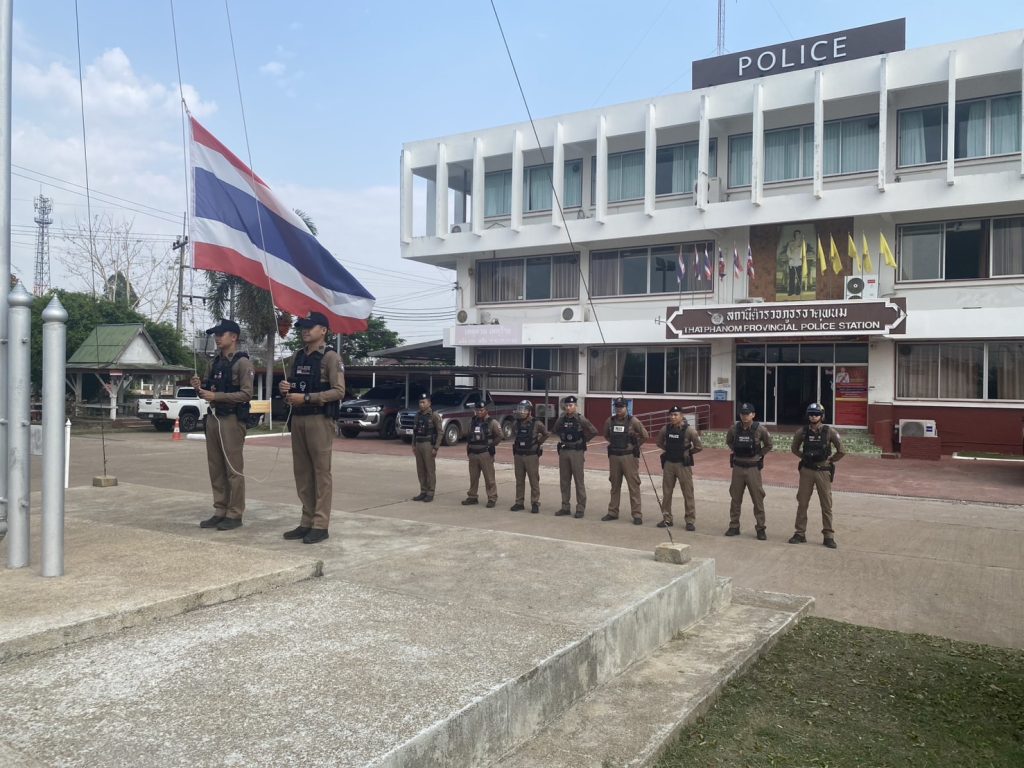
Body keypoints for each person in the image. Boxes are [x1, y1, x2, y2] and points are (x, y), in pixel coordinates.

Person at [279, 312, 346, 544]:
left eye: (310, 327)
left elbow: (339, 391)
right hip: (298, 418)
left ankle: (320, 524)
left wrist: (307, 398)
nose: (305, 330)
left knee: (321, 472)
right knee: (302, 472)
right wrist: (285, 388)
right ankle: (306, 521)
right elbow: (292, 386)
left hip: (319, 419)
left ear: (323, 330)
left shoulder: (330, 357)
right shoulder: (297, 356)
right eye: (302, 327)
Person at [193, 319, 253, 532]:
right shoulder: (214, 363)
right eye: (216, 334)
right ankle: (220, 509)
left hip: (232, 419)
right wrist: (199, 388)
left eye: (221, 334)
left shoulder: (242, 363)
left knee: (233, 469)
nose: (217, 338)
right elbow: (207, 391)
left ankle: (235, 513)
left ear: (234, 337)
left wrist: (217, 396)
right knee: (216, 467)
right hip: (213, 417)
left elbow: (247, 394)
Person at [789, 402, 845, 549]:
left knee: (826, 504)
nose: (814, 417)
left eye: (817, 414)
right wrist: (804, 457)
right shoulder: (802, 432)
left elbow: (841, 450)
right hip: (807, 471)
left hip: (823, 471)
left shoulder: (829, 431)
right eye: (811, 414)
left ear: (822, 416)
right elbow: (794, 448)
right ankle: (799, 533)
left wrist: (830, 461)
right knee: (802, 503)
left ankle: (828, 535)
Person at [725, 402, 773, 539]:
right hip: (738, 467)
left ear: (753, 415)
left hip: (753, 468)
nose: (744, 416)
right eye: (742, 414)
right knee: (735, 498)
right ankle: (734, 526)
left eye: (747, 414)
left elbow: (769, 444)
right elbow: (729, 441)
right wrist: (737, 450)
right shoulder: (734, 429)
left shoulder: (760, 429)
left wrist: (759, 454)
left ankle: (760, 528)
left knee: (757, 499)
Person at [547, 395, 598, 518]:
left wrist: (583, 440)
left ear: (576, 406)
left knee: (578, 481)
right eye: (567, 405)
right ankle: (565, 507)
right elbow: (555, 430)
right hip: (564, 451)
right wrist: (563, 437)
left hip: (576, 452)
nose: (568, 407)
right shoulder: (561, 418)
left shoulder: (580, 419)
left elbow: (594, 431)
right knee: (564, 481)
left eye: (571, 405)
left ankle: (580, 508)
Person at [602, 398, 649, 525]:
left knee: (633, 486)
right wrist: (615, 443)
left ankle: (637, 514)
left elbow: (645, 435)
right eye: (616, 407)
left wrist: (635, 445)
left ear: (626, 407)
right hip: (614, 457)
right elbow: (606, 435)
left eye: (621, 407)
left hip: (629, 457)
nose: (618, 409)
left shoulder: (633, 421)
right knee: (614, 485)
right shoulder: (610, 421)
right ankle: (612, 512)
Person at [655, 406, 703, 530]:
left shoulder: (689, 431)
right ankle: (667, 518)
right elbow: (659, 443)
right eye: (671, 415)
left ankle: (690, 521)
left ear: (681, 416)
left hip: (683, 465)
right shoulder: (665, 429)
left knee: (688, 493)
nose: (673, 417)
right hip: (669, 464)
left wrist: (687, 453)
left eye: (676, 415)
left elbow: (699, 447)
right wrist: (670, 450)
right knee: (667, 493)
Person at [462, 400, 503, 508]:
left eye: (481, 410)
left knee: (489, 478)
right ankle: (472, 496)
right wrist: (469, 449)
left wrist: (491, 445)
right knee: (473, 477)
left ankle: (492, 498)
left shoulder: (492, 422)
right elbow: (469, 436)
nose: (479, 412)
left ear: (486, 410)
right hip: (473, 453)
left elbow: (500, 436)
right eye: (477, 410)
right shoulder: (472, 421)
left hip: (485, 454)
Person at [510, 400, 548, 513]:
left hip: (531, 456)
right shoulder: (516, 423)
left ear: (530, 411)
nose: (521, 412)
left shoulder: (537, 423)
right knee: (519, 480)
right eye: (520, 409)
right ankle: (519, 502)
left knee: (533, 480)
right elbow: (515, 434)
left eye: (524, 410)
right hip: (518, 455)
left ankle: (535, 503)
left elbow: (546, 434)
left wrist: (538, 443)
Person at [411, 393, 443, 502]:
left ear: (429, 403)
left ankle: (430, 492)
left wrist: (436, 447)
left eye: (423, 402)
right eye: (420, 402)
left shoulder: (434, 415)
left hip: (428, 444)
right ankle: (423, 491)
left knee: (430, 469)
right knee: (420, 469)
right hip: (419, 444)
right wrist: (413, 445)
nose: (421, 404)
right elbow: (415, 431)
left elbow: (440, 432)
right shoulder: (417, 415)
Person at [778, 229, 805, 296]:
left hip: (799, 263)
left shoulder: (802, 244)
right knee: (791, 278)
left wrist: (801, 258)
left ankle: (798, 292)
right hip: (792, 263)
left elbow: (803, 253)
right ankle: (791, 291)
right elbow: (788, 252)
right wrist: (791, 257)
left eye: (798, 234)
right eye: (796, 234)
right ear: (794, 235)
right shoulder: (791, 243)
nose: (797, 236)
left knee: (799, 278)